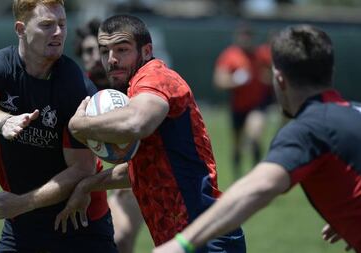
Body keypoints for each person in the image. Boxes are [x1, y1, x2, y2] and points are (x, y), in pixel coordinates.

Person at [153, 24, 361, 253]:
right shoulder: (355, 111)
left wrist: (181, 244)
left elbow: (258, 188)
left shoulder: (309, 129)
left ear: (279, 80)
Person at [55, 14, 247, 252]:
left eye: (122, 49)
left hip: (205, 236)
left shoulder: (154, 77)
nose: (111, 59)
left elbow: (137, 123)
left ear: (146, 51)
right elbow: (140, 170)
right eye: (105, 51)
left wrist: (78, 126)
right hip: (186, 238)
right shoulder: (134, 87)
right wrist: (86, 185)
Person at [0, 0, 117, 252]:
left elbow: (82, 168)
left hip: (79, 219)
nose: (58, 32)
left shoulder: (75, 85)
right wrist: (3, 121)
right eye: (47, 25)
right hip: (22, 222)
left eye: (62, 24)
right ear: (21, 29)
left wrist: (21, 203)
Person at [74, 19, 145, 253]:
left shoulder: (131, 86)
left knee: (122, 238)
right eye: (87, 51)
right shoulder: (76, 90)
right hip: (91, 173)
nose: (94, 57)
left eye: (100, 50)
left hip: (132, 173)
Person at [213, 24, 273, 179]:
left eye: (249, 36)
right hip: (238, 106)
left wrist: (267, 78)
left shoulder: (260, 54)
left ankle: (257, 175)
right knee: (237, 145)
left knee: (255, 136)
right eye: (243, 36)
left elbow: (271, 71)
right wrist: (235, 80)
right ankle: (237, 176)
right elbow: (219, 81)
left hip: (257, 105)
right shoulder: (230, 55)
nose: (246, 39)